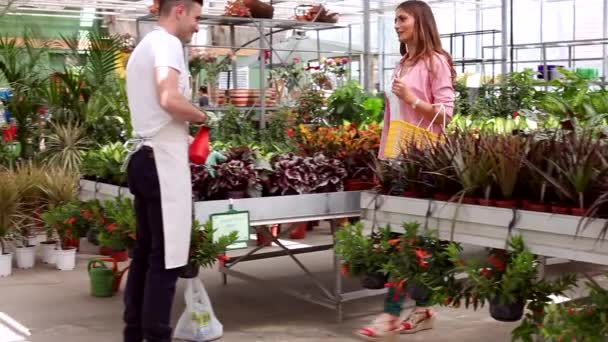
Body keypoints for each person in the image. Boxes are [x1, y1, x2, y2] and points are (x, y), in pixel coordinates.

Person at [356, 1, 455, 340]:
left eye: (402, 18)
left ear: (420, 21)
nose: (396, 24)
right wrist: (384, 159)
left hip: (424, 163)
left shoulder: (435, 61)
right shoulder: (401, 63)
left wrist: (412, 98)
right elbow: (391, 119)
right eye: (395, 19)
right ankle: (423, 310)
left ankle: (390, 315)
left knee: (405, 237)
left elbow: (446, 115)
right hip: (398, 160)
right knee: (410, 237)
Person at [122, 1, 207, 341]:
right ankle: (156, 335)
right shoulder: (167, 44)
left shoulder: (144, 45)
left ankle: (135, 333)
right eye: (197, 18)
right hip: (161, 163)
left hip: (144, 158)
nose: (198, 27)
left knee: (144, 255)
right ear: (180, 11)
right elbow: (169, 98)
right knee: (168, 258)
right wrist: (203, 116)